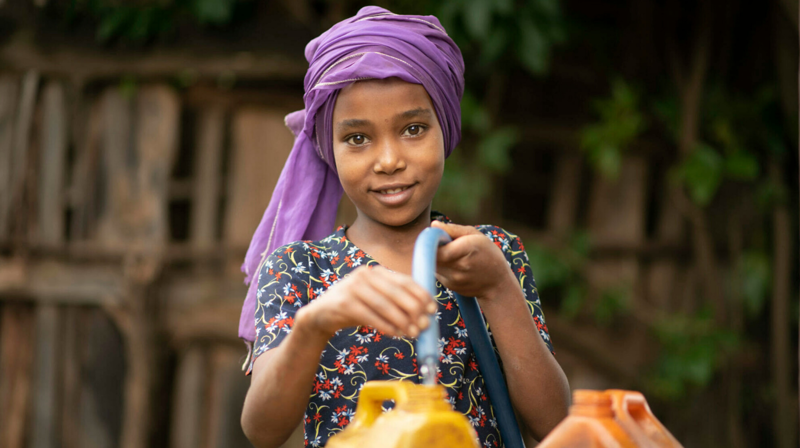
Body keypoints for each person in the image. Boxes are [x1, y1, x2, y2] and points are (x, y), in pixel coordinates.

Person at [239, 6, 570, 448]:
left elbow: (554, 427)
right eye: (357, 138)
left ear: (446, 130)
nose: (390, 160)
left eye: (413, 129)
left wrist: (497, 290)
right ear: (329, 148)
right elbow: (262, 431)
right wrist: (315, 326)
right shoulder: (299, 270)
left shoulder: (491, 255)